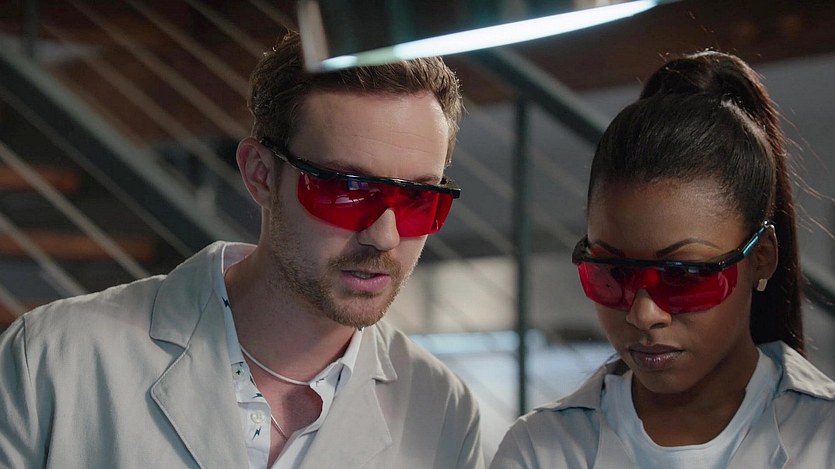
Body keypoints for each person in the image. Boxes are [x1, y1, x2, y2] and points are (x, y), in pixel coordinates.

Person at [0, 30, 484, 468]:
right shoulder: (51, 359)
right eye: (347, 189)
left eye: (420, 199)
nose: (385, 236)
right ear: (260, 174)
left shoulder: (444, 412)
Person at [490, 51, 835, 468]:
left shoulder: (823, 438)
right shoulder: (541, 450)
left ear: (761, 257)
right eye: (614, 273)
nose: (643, 314)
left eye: (683, 275)